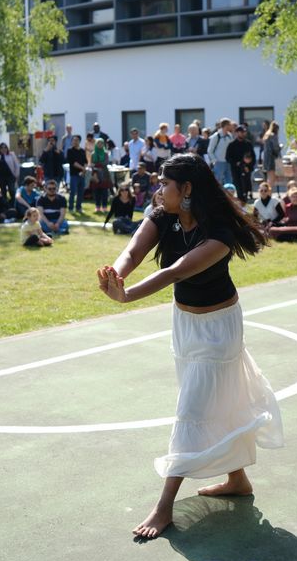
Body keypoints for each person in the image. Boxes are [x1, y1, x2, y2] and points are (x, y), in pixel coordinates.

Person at [96, 152, 280, 539]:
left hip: (219, 329)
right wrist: (116, 274)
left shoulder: (219, 233)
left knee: (192, 409)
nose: (159, 189)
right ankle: (238, 480)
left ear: (188, 188)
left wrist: (127, 296)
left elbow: (175, 271)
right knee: (214, 401)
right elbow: (133, 252)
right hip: (185, 324)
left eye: (165, 183)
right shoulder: (162, 214)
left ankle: (163, 508)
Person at [226, 125, 256, 202]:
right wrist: (237, 163)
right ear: (237, 133)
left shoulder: (248, 144)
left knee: (246, 188)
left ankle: (245, 203)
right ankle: (241, 204)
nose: (243, 134)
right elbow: (228, 157)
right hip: (236, 170)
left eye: (244, 132)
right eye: (241, 132)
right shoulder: (232, 145)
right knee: (239, 187)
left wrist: (249, 164)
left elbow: (253, 156)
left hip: (246, 169)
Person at [206, 119, 234, 186]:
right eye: (230, 125)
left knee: (229, 181)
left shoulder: (230, 135)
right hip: (219, 162)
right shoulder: (216, 136)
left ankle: (229, 195)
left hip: (228, 162)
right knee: (218, 182)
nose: (231, 126)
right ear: (226, 125)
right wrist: (215, 161)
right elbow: (210, 150)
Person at [66, 135, 88, 214]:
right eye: (73, 140)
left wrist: (84, 170)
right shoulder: (70, 150)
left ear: (79, 141)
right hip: (74, 174)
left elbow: (85, 161)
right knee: (73, 191)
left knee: (81, 192)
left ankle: (78, 207)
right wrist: (83, 168)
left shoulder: (82, 150)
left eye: (77, 140)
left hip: (82, 174)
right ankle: (71, 207)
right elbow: (73, 162)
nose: (75, 142)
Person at [91, 136, 111, 213]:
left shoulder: (105, 153)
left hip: (104, 174)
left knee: (104, 191)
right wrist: (96, 166)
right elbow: (92, 163)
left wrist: (98, 164)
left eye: (101, 143)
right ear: (96, 144)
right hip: (96, 173)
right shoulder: (93, 154)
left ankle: (105, 206)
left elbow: (106, 162)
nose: (100, 145)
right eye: (98, 143)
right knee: (97, 191)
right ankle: (97, 206)